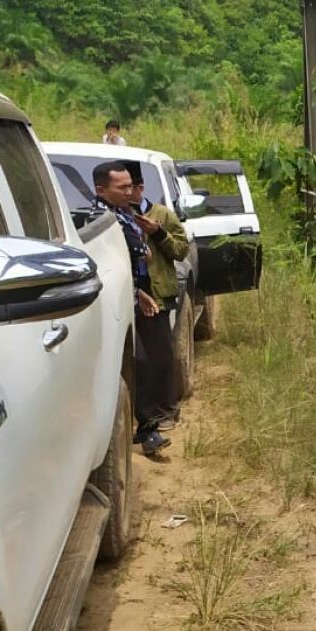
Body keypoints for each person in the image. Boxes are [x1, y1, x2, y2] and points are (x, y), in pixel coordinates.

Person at [91, 160, 169, 456]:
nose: (130, 191)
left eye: (131, 186)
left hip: (135, 293)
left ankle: (149, 426)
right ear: (101, 190)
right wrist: (137, 292)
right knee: (140, 363)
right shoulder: (101, 221)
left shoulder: (125, 214)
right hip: (118, 300)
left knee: (150, 361)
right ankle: (141, 430)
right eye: (122, 187)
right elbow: (122, 260)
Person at [127, 164, 190, 431]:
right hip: (128, 292)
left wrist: (158, 233)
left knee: (161, 354)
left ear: (140, 188)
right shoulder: (114, 216)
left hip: (157, 293)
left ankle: (167, 410)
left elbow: (181, 250)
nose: (127, 193)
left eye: (131, 187)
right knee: (137, 358)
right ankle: (144, 414)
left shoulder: (162, 214)